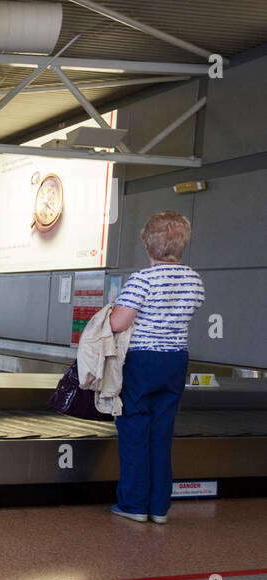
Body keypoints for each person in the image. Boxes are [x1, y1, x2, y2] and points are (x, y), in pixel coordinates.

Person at [107, 211, 206, 525]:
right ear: (182, 246)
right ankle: (159, 507)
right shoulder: (193, 278)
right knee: (162, 433)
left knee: (135, 428)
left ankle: (134, 504)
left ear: (148, 247)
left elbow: (120, 322)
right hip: (176, 361)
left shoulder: (142, 279)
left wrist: (106, 319)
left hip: (142, 360)